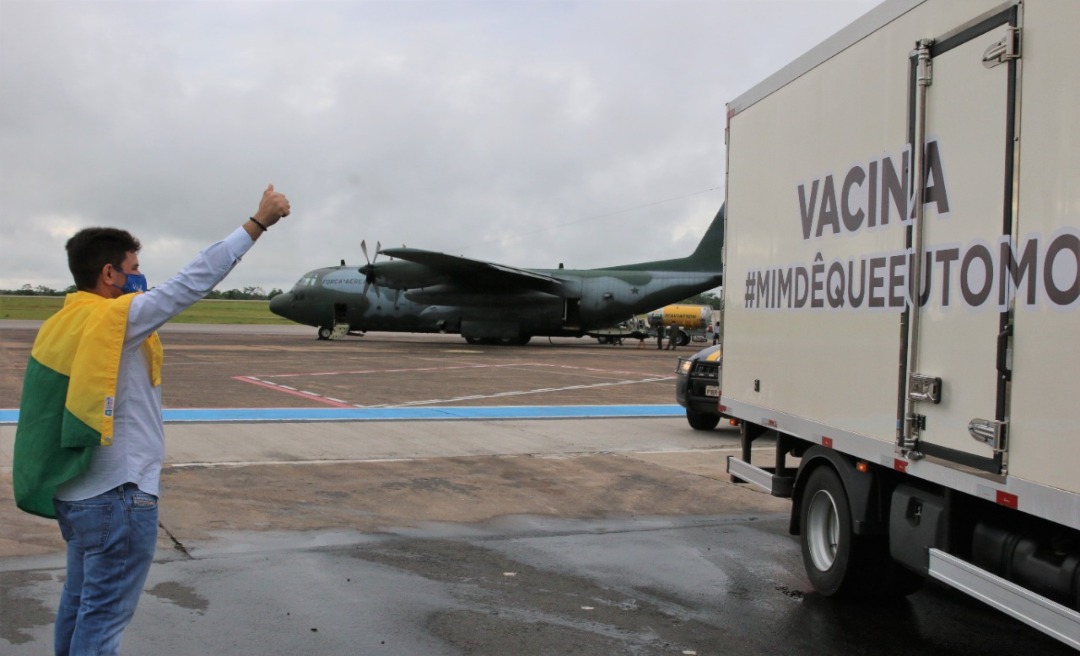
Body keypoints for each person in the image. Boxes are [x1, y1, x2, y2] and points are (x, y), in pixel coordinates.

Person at [13, 184, 291, 656]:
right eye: (135, 269)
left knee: (78, 608)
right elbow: (191, 282)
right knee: (100, 626)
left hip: (76, 494)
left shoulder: (65, 321)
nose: (142, 278)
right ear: (109, 274)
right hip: (119, 498)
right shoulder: (115, 321)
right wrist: (258, 223)